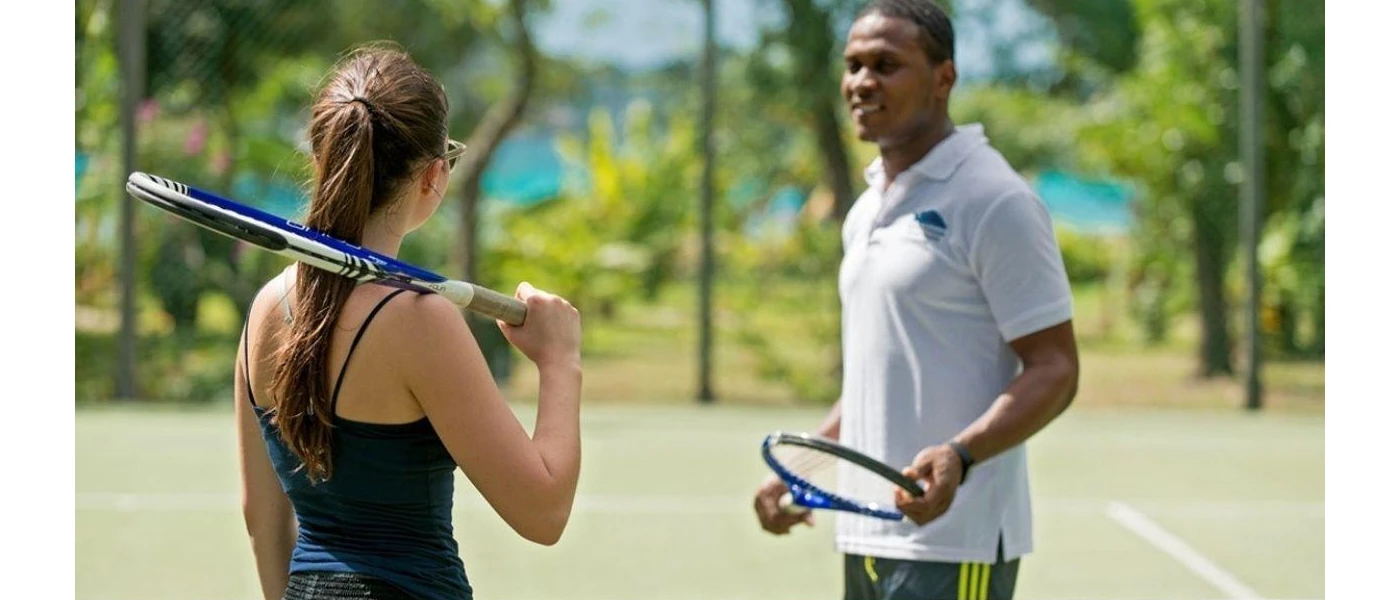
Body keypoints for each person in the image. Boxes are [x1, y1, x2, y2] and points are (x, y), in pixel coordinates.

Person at [751, 1, 1080, 599]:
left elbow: (1056, 367)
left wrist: (961, 453)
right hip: (868, 535)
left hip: (957, 542)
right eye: (853, 65)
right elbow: (877, 380)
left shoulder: (994, 200)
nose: (862, 82)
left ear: (943, 79)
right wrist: (810, 470)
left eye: (886, 64)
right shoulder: (867, 209)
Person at [236, 44, 583, 600]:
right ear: (433, 175)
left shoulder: (264, 309)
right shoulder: (422, 321)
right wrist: (560, 362)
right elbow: (543, 513)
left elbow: (261, 515)